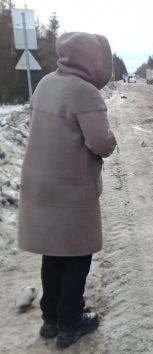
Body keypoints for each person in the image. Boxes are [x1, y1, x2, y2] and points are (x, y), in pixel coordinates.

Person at [17, 32, 117, 348]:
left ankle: (50, 317)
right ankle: (70, 321)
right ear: (94, 61)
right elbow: (101, 143)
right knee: (77, 254)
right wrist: (113, 140)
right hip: (70, 188)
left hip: (39, 184)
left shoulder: (46, 83)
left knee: (54, 252)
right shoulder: (84, 93)